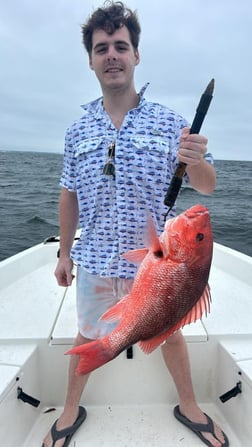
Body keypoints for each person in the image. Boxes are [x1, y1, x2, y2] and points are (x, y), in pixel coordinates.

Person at [43, 2, 229, 447]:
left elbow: (207, 186)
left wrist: (197, 160)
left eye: (120, 46)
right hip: (95, 259)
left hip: (159, 263)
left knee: (171, 334)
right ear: (90, 59)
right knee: (87, 331)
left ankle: (188, 404)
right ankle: (71, 408)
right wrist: (64, 253)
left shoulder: (170, 123)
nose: (112, 55)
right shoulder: (77, 130)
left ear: (136, 56)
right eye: (102, 47)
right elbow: (69, 194)